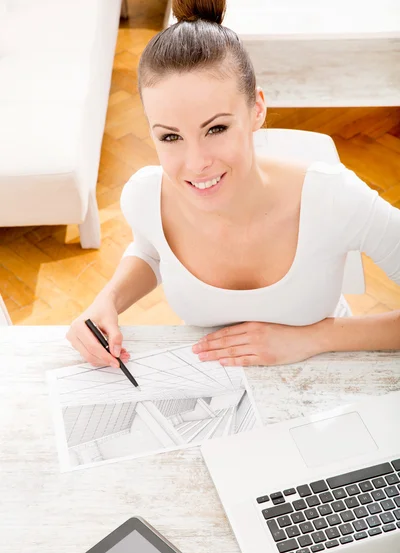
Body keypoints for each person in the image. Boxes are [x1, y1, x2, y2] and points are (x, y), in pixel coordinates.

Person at [66, 0, 400, 369]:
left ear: (257, 109)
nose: (196, 164)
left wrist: (315, 337)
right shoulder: (146, 197)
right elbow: (152, 252)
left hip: (327, 380)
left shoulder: (334, 197)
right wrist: (108, 301)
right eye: (170, 137)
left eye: (216, 128)